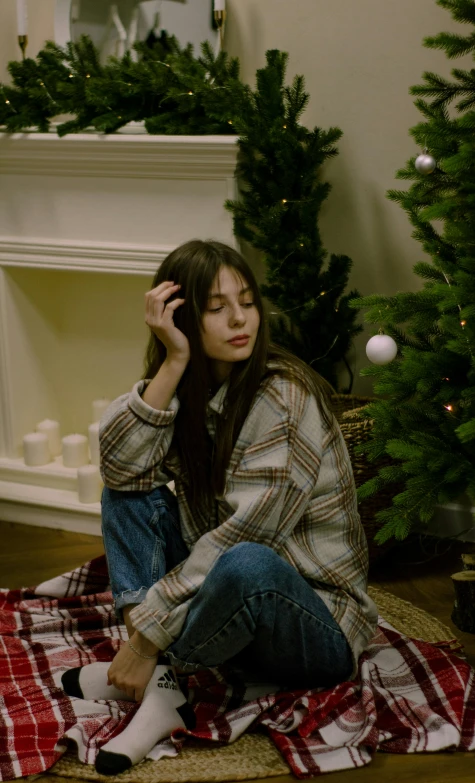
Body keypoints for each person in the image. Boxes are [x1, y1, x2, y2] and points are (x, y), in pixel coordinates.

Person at [60, 239, 378, 774]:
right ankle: (162, 686)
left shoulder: (284, 397)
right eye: (216, 308)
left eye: (247, 301)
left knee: (245, 561)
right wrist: (174, 360)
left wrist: (142, 640)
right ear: (182, 319)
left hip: (314, 624)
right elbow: (121, 471)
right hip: (229, 605)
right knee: (129, 496)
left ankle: (161, 675)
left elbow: (242, 540)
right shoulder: (193, 385)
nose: (240, 319)